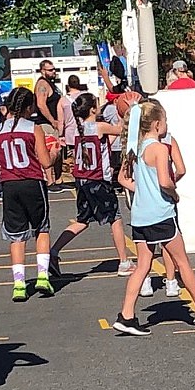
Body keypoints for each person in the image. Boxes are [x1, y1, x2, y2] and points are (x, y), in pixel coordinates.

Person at [113, 99, 195, 335]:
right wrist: (173, 193)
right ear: (156, 125)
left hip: (140, 216)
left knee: (143, 265)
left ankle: (127, 314)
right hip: (161, 214)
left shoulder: (134, 148)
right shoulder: (159, 149)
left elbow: (123, 179)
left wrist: (142, 188)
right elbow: (165, 180)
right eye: (164, 121)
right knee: (183, 262)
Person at [49, 92, 133, 275]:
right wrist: (131, 109)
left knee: (82, 220)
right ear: (93, 109)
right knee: (115, 218)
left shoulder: (80, 130)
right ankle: (124, 262)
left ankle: (53, 252)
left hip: (82, 180)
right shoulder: (99, 126)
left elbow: (106, 142)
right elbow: (124, 130)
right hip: (97, 181)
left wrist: (120, 119)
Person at [0, 86, 54, 301]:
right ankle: (43, 276)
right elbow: (45, 161)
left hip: (9, 184)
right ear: (29, 107)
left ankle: (19, 283)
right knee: (41, 228)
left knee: (16, 234)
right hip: (32, 181)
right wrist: (54, 153)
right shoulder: (33, 128)